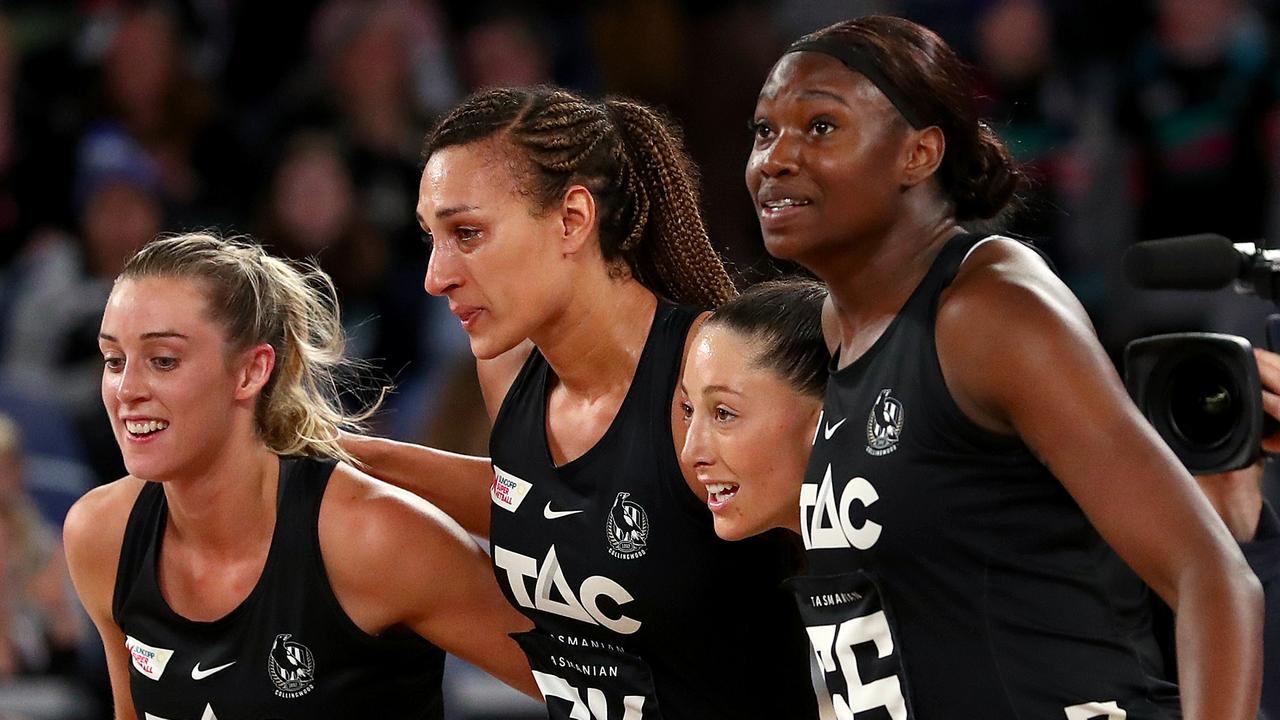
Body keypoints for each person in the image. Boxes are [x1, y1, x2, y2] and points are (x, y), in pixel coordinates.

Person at [743, 15, 1261, 719]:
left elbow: (1213, 578)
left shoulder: (989, 310)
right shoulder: (838, 325)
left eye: (821, 127)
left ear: (919, 154)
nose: (775, 157)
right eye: (764, 131)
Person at [345, 85, 819, 719]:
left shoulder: (707, 371)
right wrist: (339, 454)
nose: (437, 275)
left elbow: (860, 553)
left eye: (467, 233)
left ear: (572, 219)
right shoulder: (506, 368)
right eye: (433, 237)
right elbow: (545, 503)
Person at [62, 233, 537, 720]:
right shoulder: (101, 534)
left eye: (163, 361)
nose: (127, 389)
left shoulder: (369, 535)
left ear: (250, 371)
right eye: (114, 361)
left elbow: (598, 686)